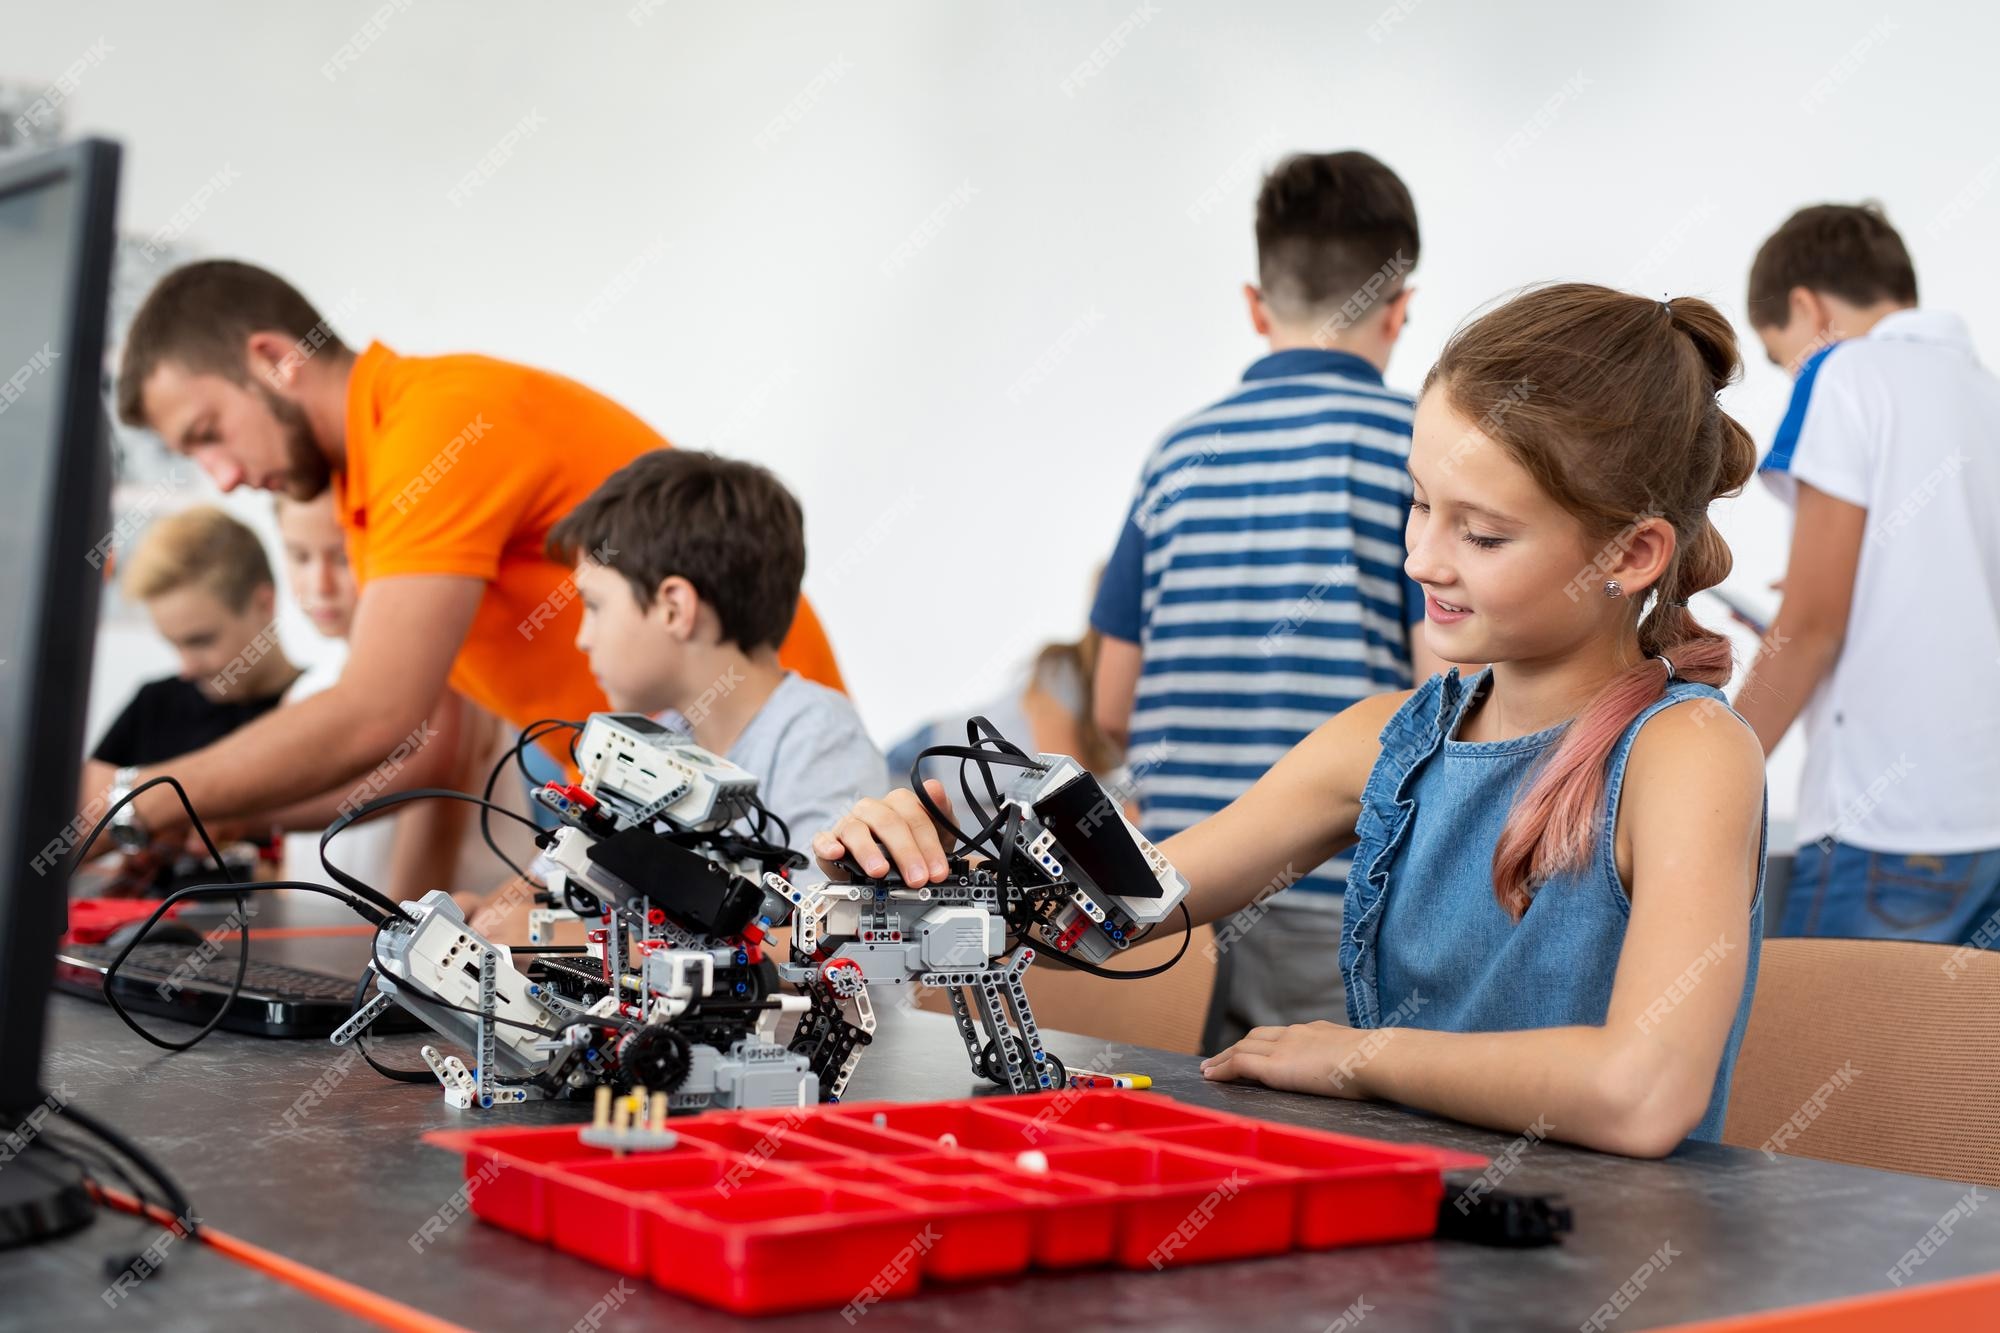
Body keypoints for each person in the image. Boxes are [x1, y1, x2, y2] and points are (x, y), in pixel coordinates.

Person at [814, 284, 1769, 1156]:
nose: (1422, 560)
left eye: (1480, 534)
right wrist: (927, 856)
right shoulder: (1387, 739)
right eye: (1418, 505)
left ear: (1634, 552)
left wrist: (1360, 1057)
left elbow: (1644, 1093)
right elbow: (1122, 911)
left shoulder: (1685, 755)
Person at [107, 260, 847, 851]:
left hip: (765, 779)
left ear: (273, 360)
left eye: (209, 432)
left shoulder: (435, 430)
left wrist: (127, 797)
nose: (224, 477)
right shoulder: (371, 495)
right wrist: (221, 815)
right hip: (651, 815)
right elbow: (430, 748)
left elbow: (374, 715)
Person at [1089, 149, 1450, 1051]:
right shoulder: (1415, 446)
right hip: (1334, 894)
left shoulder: (1176, 454)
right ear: (1401, 306)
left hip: (1169, 894)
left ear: (1257, 306)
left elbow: (1108, 701)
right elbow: (1446, 686)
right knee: (1322, 1152)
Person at [467, 450, 888, 939]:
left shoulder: (815, 736)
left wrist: (563, 941)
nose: (583, 638)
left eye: (596, 607)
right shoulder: (657, 741)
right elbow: (549, 879)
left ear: (673, 608)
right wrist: (483, 916)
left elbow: (830, 943)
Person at [1735, 203, 2000, 945]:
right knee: (1952, 1063)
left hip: (1887, 826)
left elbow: (1815, 626)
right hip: (1986, 821)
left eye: (1776, 350)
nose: (1791, 369)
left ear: (1805, 307)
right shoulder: (1985, 393)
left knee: (1819, 1056)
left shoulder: (1842, 369)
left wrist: (1712, 768)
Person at [78, 506, 302, 868]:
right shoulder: (154, 705)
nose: (185, 668)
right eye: (174, 644)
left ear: (264, 604)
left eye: (200, 641)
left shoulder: (312, 707)